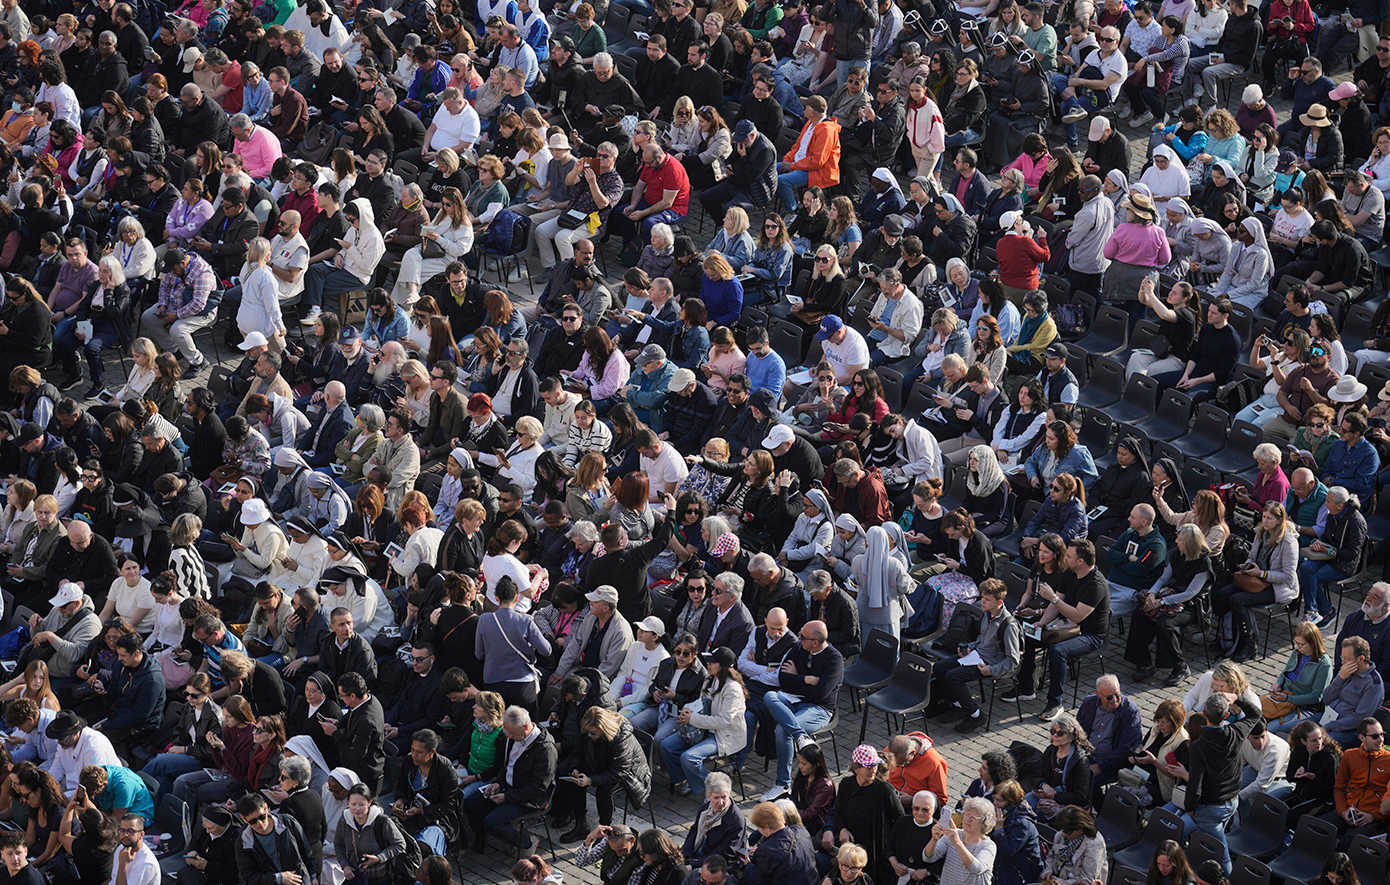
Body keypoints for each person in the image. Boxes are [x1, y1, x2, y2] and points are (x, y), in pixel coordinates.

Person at [461, 705, 558, 852]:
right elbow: (506, 766)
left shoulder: (545, 750)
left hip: (530, 799)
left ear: (526, 727)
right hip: (509, 788)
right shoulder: (514, 737)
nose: (509, 737)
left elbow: (538, 787)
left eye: (512, 733)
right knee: (471, 803)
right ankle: (481, 834)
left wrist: (506, 797)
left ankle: (527, 843)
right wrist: (498, 783)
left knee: (492, 822)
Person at [932, 578, 1021, 733]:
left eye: (987, 599)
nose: (983, 602)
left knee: (953, 676)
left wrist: (991, 670)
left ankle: (976, 715)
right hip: (977, 656)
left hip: (990, 663)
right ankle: (958, 706)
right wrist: (968, 648)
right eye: (982, 598)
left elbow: (1013, 660)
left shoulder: (1009, 626)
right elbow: (982, 640)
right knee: (940, 668)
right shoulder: (987, 615)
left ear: (999, 603)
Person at [1326, 717, 1389, 846]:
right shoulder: (1349, 755)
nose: (1380, 739)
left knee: (1346, 844)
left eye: (1382, 735)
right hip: (1349, 810)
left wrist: (1373, 816)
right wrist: (1343, 811)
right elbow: (1339, 788)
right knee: (1316, 828)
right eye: (1375, 736)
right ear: (1362, 738)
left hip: (1373, 817)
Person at [1037, 806, 1107, 885]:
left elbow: (1087, 880)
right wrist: (1048, 870)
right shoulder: (1062, 835)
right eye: (1063, 830)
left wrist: (1058, 882)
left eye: (1068, 832)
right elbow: (1051, 855)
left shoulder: (1094, 845)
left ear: (1080, 828)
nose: (1064, 835)